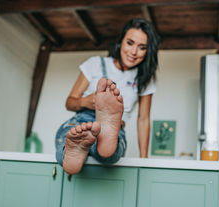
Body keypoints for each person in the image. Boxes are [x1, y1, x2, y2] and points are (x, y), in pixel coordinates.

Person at [55, 18, 160, 174]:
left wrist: (143, 159)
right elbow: (70, 102)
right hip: (82, 122)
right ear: (121, 42)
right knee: (76, 139)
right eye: (130, 43)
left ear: (148, 51)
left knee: (110, 150)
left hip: (114, 127)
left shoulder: (145, 77)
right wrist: (86, 101)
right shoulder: (95, 63)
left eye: (142, 47)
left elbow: (143, 119)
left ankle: (105, 137)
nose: (133, 52)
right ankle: (78, 148)